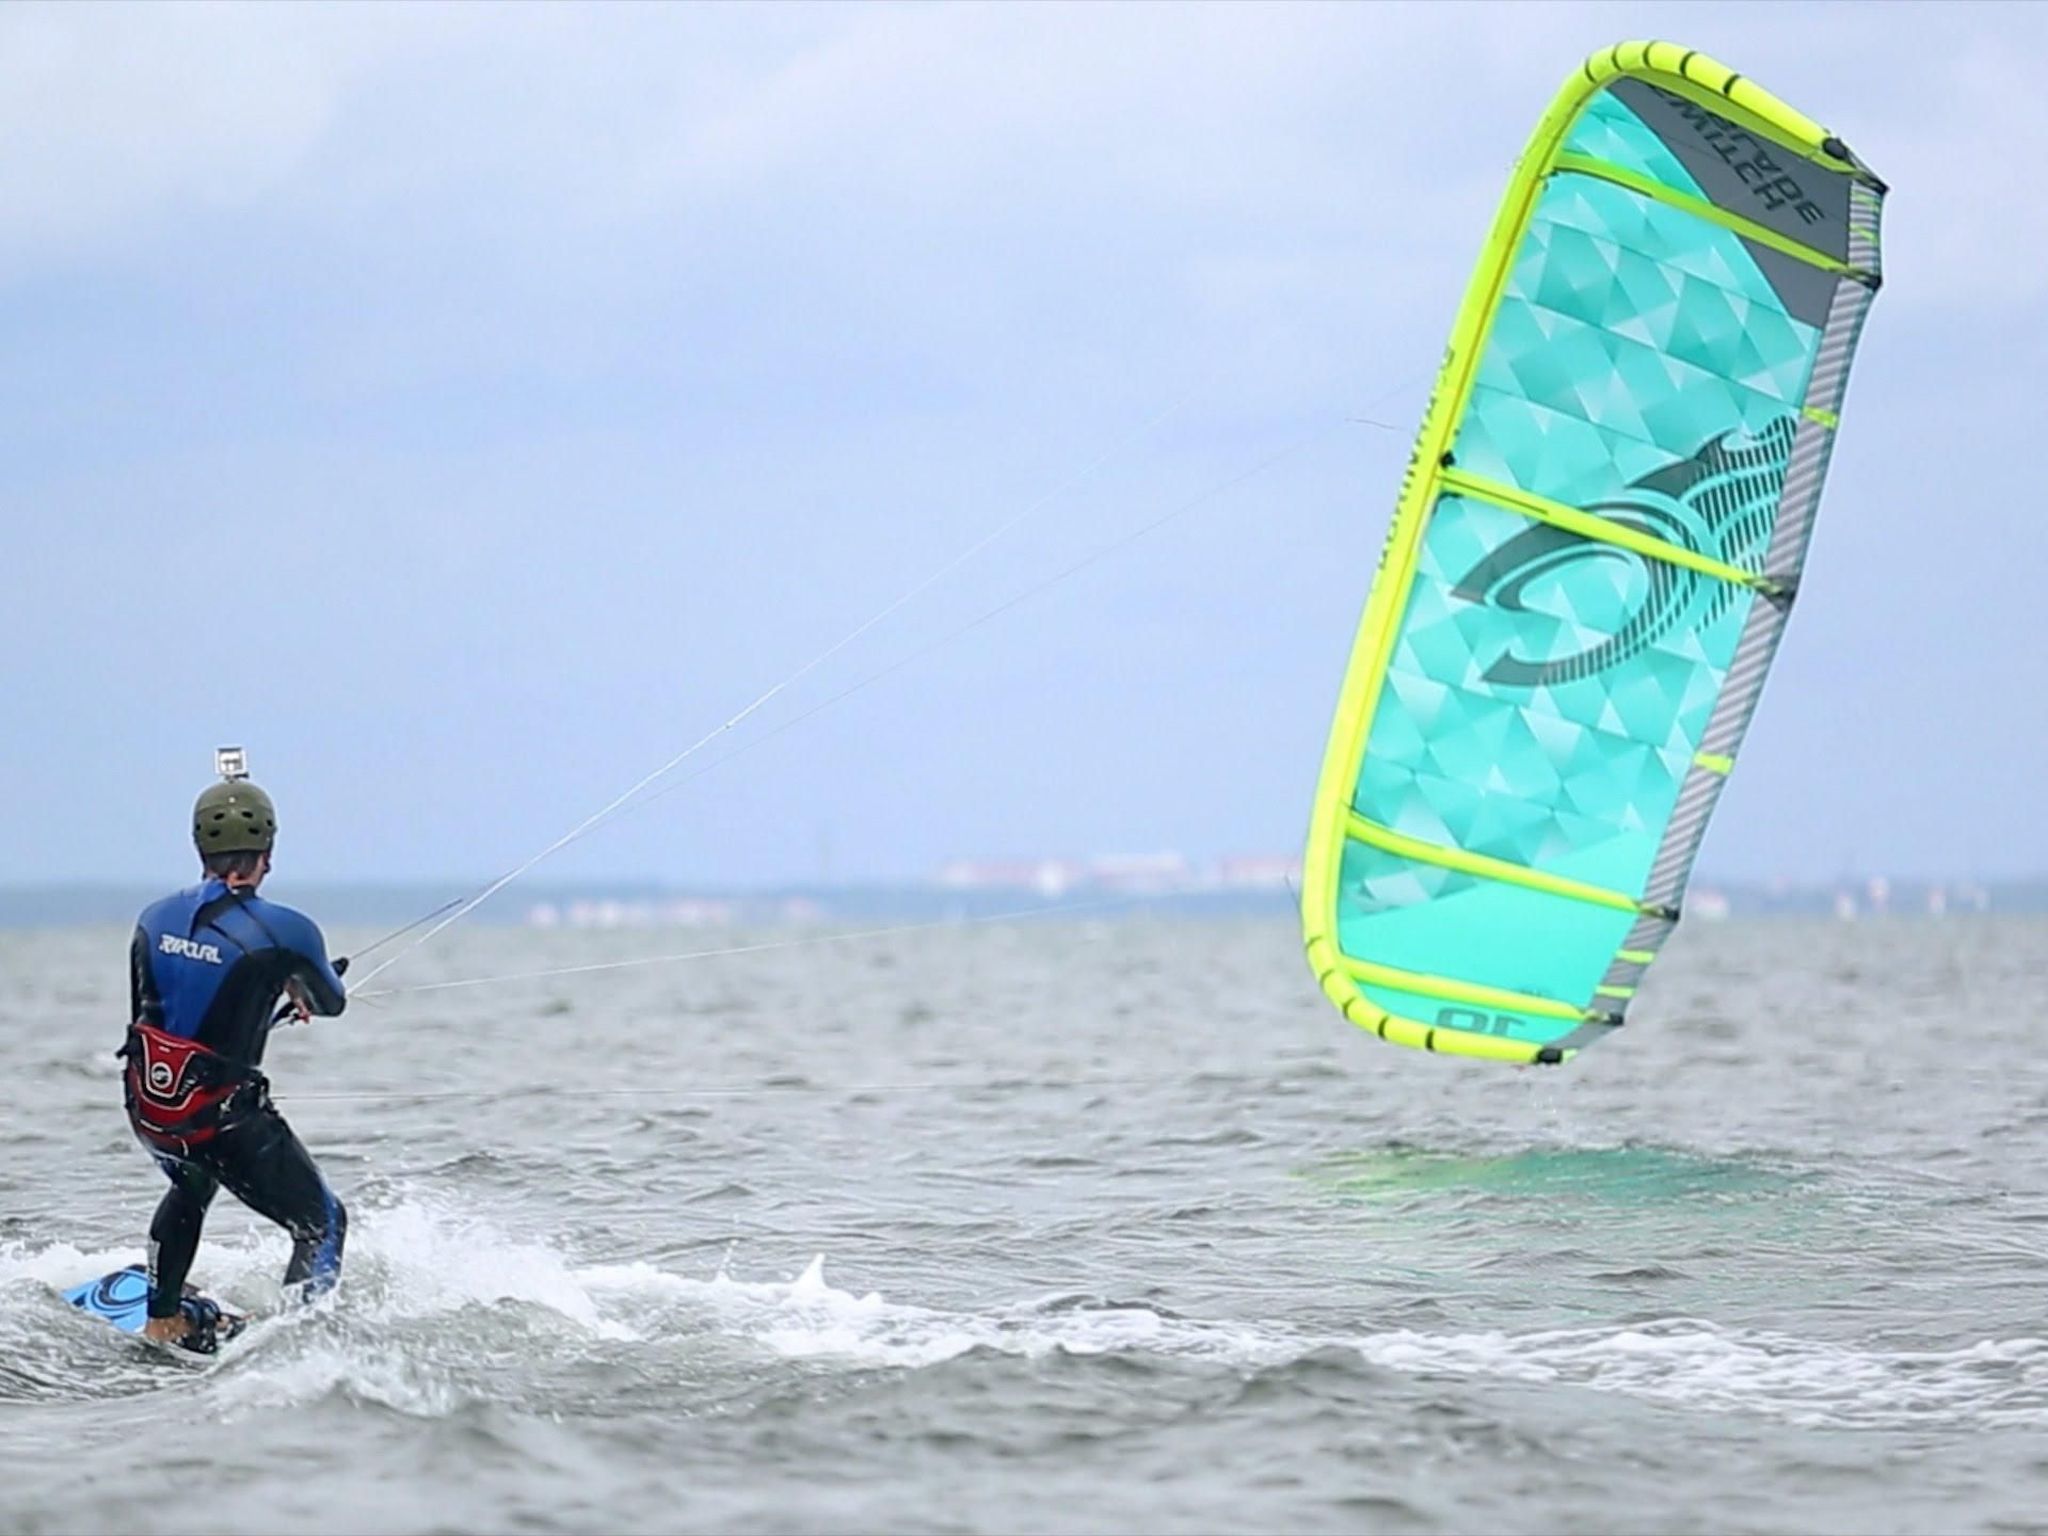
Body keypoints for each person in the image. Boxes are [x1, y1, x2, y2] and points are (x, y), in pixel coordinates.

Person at [120, 764, 349, 1351]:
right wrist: (294, 987)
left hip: (150, 1111)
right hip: (225, 1122)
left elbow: (161, 1015)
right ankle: (296, 1351)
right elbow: (331, 1002)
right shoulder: (288, 932)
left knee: (192, 1183)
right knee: (321, 1224)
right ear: (267, 853)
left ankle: (163, 1316)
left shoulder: (152, 918)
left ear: (199, 845)